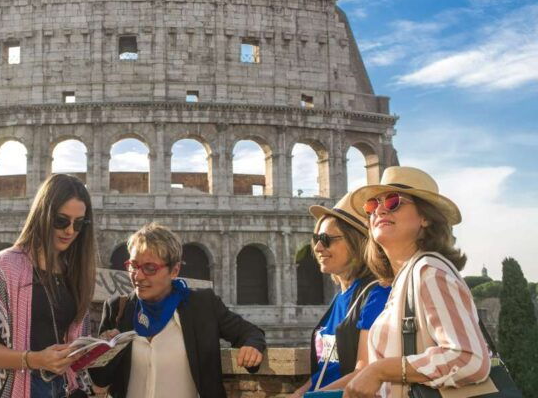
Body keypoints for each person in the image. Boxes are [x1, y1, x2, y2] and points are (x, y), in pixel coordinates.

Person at [344, 166, 490, 398]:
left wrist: (380, 371)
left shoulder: (428, 271)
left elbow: (469, 359)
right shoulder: (406, 277)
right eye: (372, 205)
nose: (379, 210)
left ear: (425, 217)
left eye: (393, 202)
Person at [89, 223, 266, 398]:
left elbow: (250, 333)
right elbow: (100, 380)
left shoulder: (201, 305)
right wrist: (104, 350)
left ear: (174, 270)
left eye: (150, 268)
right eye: (133, 266)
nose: (138, 276)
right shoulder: (118, 308)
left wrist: (251, 346)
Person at [0, 174, 98, 398]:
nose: (70, 231)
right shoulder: (7, 265)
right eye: (61, 220)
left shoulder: (74, 272)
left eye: (79, 223)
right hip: (16, 387)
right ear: (43, 215)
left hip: (62, 387)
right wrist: (34, 359)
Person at [290, 192, 391, 397]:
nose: (318, 247)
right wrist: (300, 392)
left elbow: (364, 371)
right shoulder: (339, 298)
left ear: (358, 243)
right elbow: (327, 369)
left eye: (327, 239)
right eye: (316, 239)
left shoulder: (378, 294)